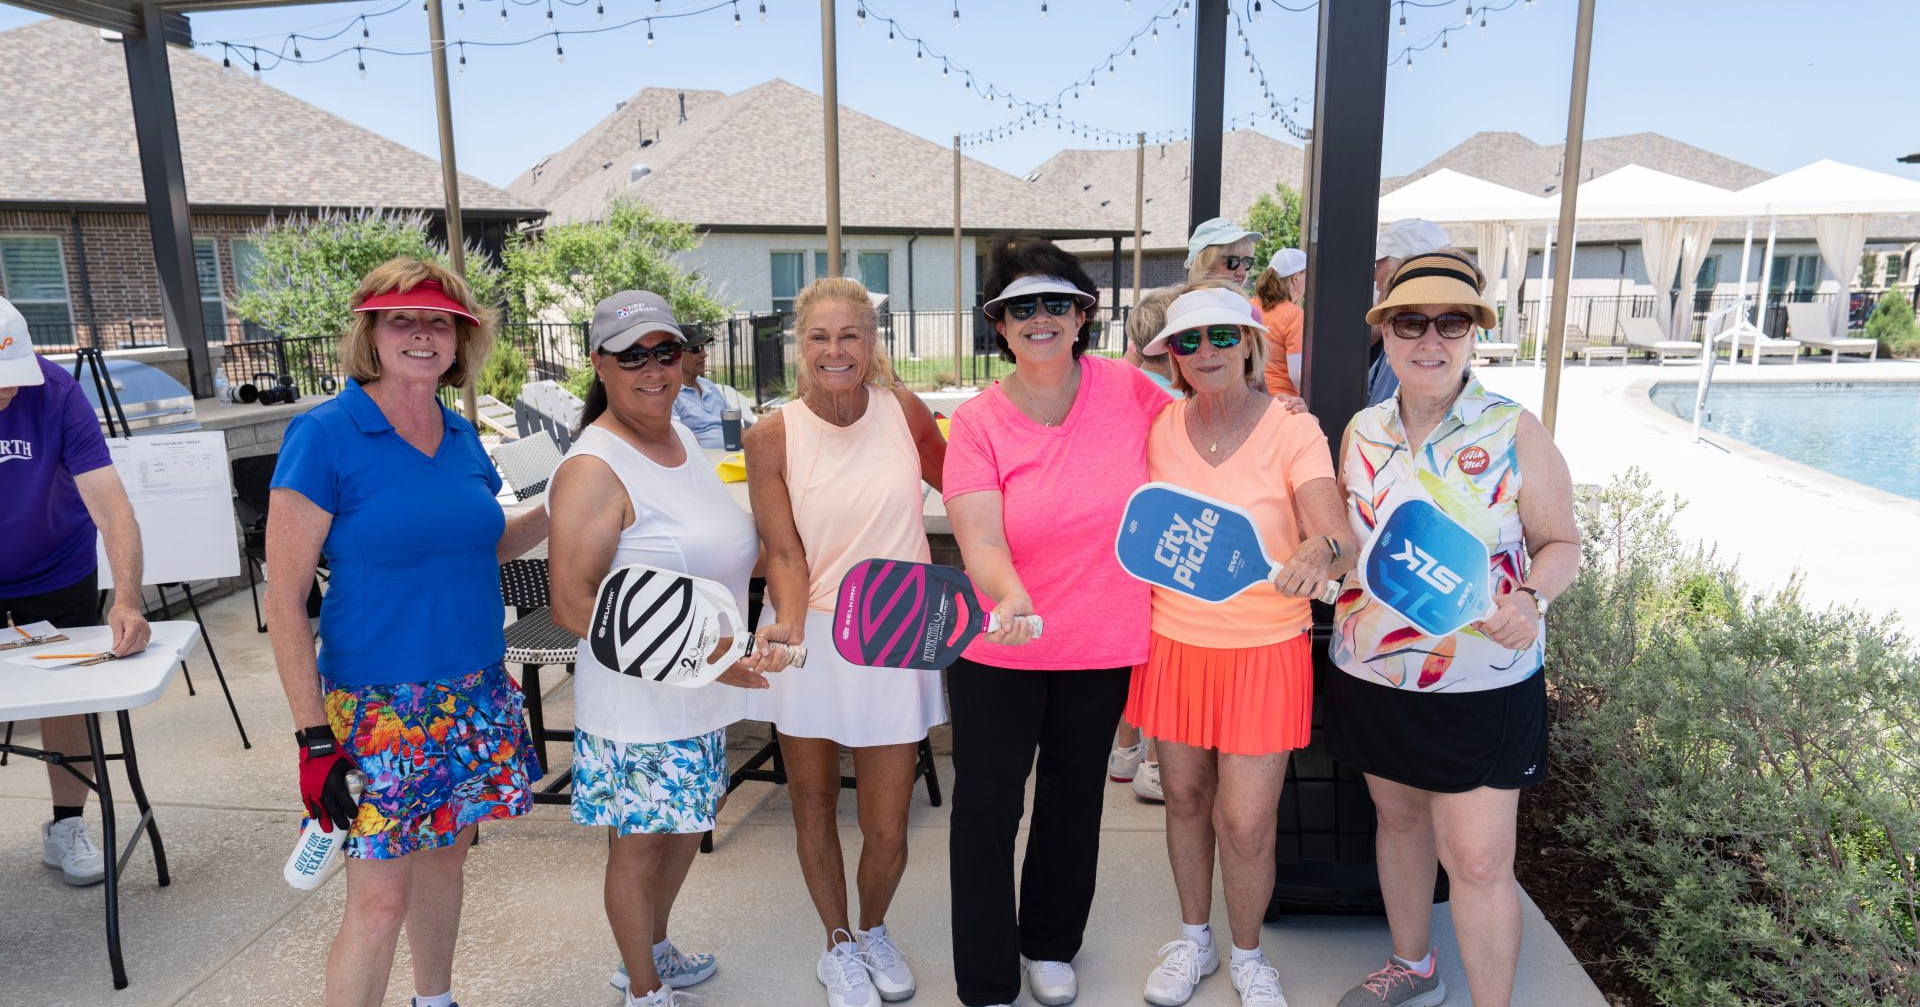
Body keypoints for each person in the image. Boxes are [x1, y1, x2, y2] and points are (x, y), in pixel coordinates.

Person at [265, 258, 550, 1007]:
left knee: (446, 867)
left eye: (439, 321)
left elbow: (472, 543)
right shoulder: (324, 433)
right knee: (379, 901)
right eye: (403, 319)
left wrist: (562, 502)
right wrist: (311, 738)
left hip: (475, 692)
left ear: (461, 338)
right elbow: (284, 598)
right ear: (372, 332)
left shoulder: (459, 434)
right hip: (379, 708)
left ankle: (436, 998)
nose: (422, 334)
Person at [1328, 250, 1579, 1007]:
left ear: (1474, 334)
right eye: (1412, 321)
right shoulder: (1361, 429)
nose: (1430, 339)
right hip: (1373, 671)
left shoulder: (1513, 428)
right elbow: (1355, 545)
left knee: (1475, 861)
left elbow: (1562, 543)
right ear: (1386, 332)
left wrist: (1531, 598)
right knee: (1398, 822)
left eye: (1452, 321)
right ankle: (1414, 967)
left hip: (1484, 681)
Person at [943, 235, 1176, 1007]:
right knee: (986, 807)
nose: (1040, 318)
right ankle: (984, 977)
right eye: (1020, 308)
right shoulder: (977, 423)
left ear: (1082, 315)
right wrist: (1007, 594)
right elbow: (978, 534)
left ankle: (1049, 942)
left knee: (1073, 802)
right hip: (1000, 646)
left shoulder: (1132, 392)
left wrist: (1276, 414)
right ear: (999, 325)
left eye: (1056, 303)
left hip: (1101, 641)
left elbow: (1202, 442)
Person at [547, 290, 790, 1007]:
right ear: (600, 363)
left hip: (703, 690)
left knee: (685, 826)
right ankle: (643, 990)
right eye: (633, 356)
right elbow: (572, 604)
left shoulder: (681, 438)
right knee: (641, 844)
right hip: (639, 703)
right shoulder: (595, 464)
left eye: (666, 351)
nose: (655, 369)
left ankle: (650, 951)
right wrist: (716, 657)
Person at [1127, 282, 1357, 1007]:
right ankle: (1194, 940)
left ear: (1252, 343)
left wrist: (1319, 552)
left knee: (1248, 819)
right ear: (1170, 356)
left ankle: (1249, 954)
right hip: (1173, 643)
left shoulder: (1294, 428)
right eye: (1188, 341)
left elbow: (1337, 533)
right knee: (1186, 797)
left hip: (1265, 648)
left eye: (1223, 336)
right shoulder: (1158, 425)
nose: (1206, 352)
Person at [743, 276, 949, 1007]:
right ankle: (837, 942)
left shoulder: (906, 412)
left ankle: (873, 927)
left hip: (897, 632)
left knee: (887, 824)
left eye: (849, 336)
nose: (835, 351)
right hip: (815, 634)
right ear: (799, 346)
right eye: (819, 337)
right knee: (812, 798)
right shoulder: (771, 434)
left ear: (871, 342)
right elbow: (785, 553)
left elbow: (971, 489)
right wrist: (789, 624)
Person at [0, 296, 150, 887]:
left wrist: (128, 599)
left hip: (56, 567)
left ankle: (66, 823)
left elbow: (112, 510)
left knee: (69, 694)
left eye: (13, 380)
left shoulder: (57, 390)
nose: (7, 393)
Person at [1110, 286, 1181, 804]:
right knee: (1156, 658)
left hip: (1117, 542)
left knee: (1127, 657)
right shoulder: (1177, 402)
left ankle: (1124, 750)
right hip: (1163, 541)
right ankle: (1155, 764)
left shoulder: (1113, 386)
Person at [1367, 219, 1451, 406]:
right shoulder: (1398, 330)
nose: (1374, 275)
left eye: (1378, 266)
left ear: (1398, 269)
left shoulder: (1410, 341)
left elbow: (1383, 421)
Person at [671, 327, 755, 449]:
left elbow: (735, 427)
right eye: (696, 349)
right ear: (677, 355)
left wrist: (754, 449)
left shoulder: (708, 386)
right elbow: (682, 441)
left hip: (732, 456)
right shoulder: (671, 395)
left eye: (703, 348)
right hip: (705, 460)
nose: (704, 354)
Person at [1253, 248, 1307, 398]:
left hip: (1252, 399)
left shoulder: (1249, 307)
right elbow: (1297, 374)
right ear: (1295, 278)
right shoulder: (1294, 315)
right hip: (1284, 402)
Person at [1184, 217, 1263, 294]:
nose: (1242, 272)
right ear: (1204, 265)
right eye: (1232, 262)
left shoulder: (1241, 305)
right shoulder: (1200, 306)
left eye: (1247, 262)